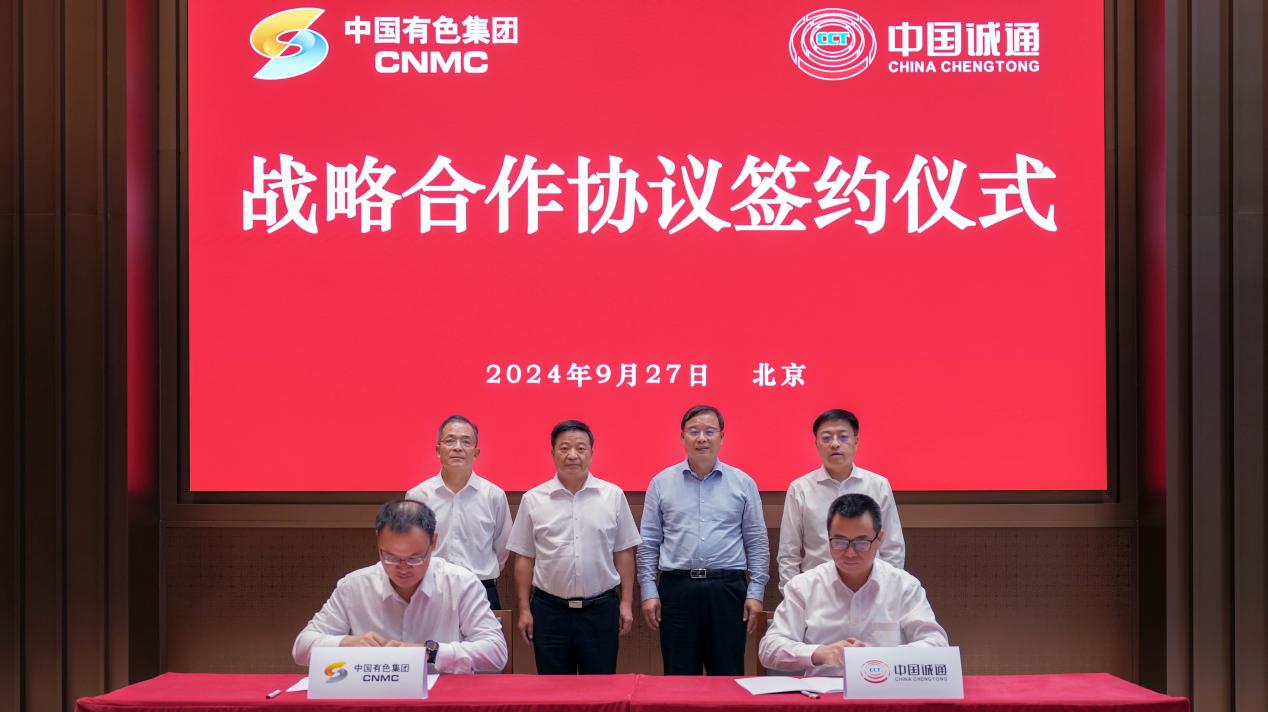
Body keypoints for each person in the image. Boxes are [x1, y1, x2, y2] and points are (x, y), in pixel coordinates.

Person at [292, 499, 507, 673]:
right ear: (378, 542)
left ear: (433, 542)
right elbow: (301, 648)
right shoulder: (354, 586)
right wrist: (346, 644)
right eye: (391, 557)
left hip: (441, 699)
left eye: (415, 558)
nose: (403, 568)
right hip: (375, 697)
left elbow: (496, 652)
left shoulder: (461, 583)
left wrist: (429, 652)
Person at [638, 405, 770, 676]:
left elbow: (756, 542)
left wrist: (756, 592)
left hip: (727, 590)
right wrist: (649, 591)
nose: (701, 438)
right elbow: (649, 542)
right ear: (682, 437)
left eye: (709, 432)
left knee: (727, 674)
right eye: (694, 431)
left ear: (721, 437)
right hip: (677, 589)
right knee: (679, 678)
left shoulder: (742, 483)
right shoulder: (661, 483)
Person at [759, 493, 946, 677]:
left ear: (879, 539)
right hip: (822, 692)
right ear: (828, 538)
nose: (850, 553)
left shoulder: (904, 586)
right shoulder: (803, 587)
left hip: (884, 690)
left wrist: (883, 656)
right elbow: (769, 648)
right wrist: (819, 653)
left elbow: (937, 645)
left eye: (861, 542)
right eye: (840, 542)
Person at [507, 420, 641, 674]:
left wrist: (626, 603)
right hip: (549, 613)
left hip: (600, 611)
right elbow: (524, 558)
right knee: (554, 690)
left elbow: (623, 552)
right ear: (553, 453)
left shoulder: (612, 496)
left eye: (580, 448)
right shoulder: (533, 499)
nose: (572, 455)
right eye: (564, 448)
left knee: (601, 690)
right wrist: (524, 609)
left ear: (591, 452)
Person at [777, 409, 905, 592]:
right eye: (826, 438)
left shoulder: (878, 485)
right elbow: (788, 554)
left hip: (870, 591)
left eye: (843, 437)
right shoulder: (800, 489)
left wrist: (887, 592)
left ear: (856, 441)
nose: (835, 444)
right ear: (816, 443)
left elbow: (893, 549)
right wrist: (793, 596)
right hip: (816, 592)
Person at [405, 415, 512, 609]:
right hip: (431, 588)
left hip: (481, 590)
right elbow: (411, 547)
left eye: (466, 442)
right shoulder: (418, 496)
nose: (457, 447)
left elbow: (502, 548)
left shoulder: (494, 495)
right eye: (450, 440)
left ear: (476, 452)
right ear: (438, 450)